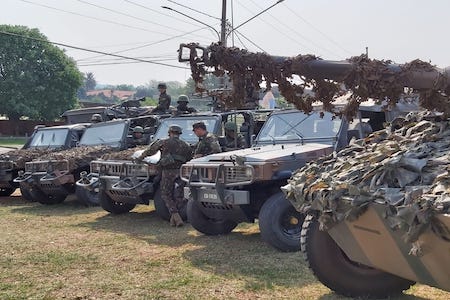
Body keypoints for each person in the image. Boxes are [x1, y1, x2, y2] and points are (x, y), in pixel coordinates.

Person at [136, 125, 192, 227]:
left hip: (167, 172)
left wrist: (140, 158)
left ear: (170, 132)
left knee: (166, 194)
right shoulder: (186, 145)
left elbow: (151, 151)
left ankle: (176, 216)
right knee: (178, 195)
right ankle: (175, 217)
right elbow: (189, 158)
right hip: (180, 172)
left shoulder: (164, 141)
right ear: (179, 134)